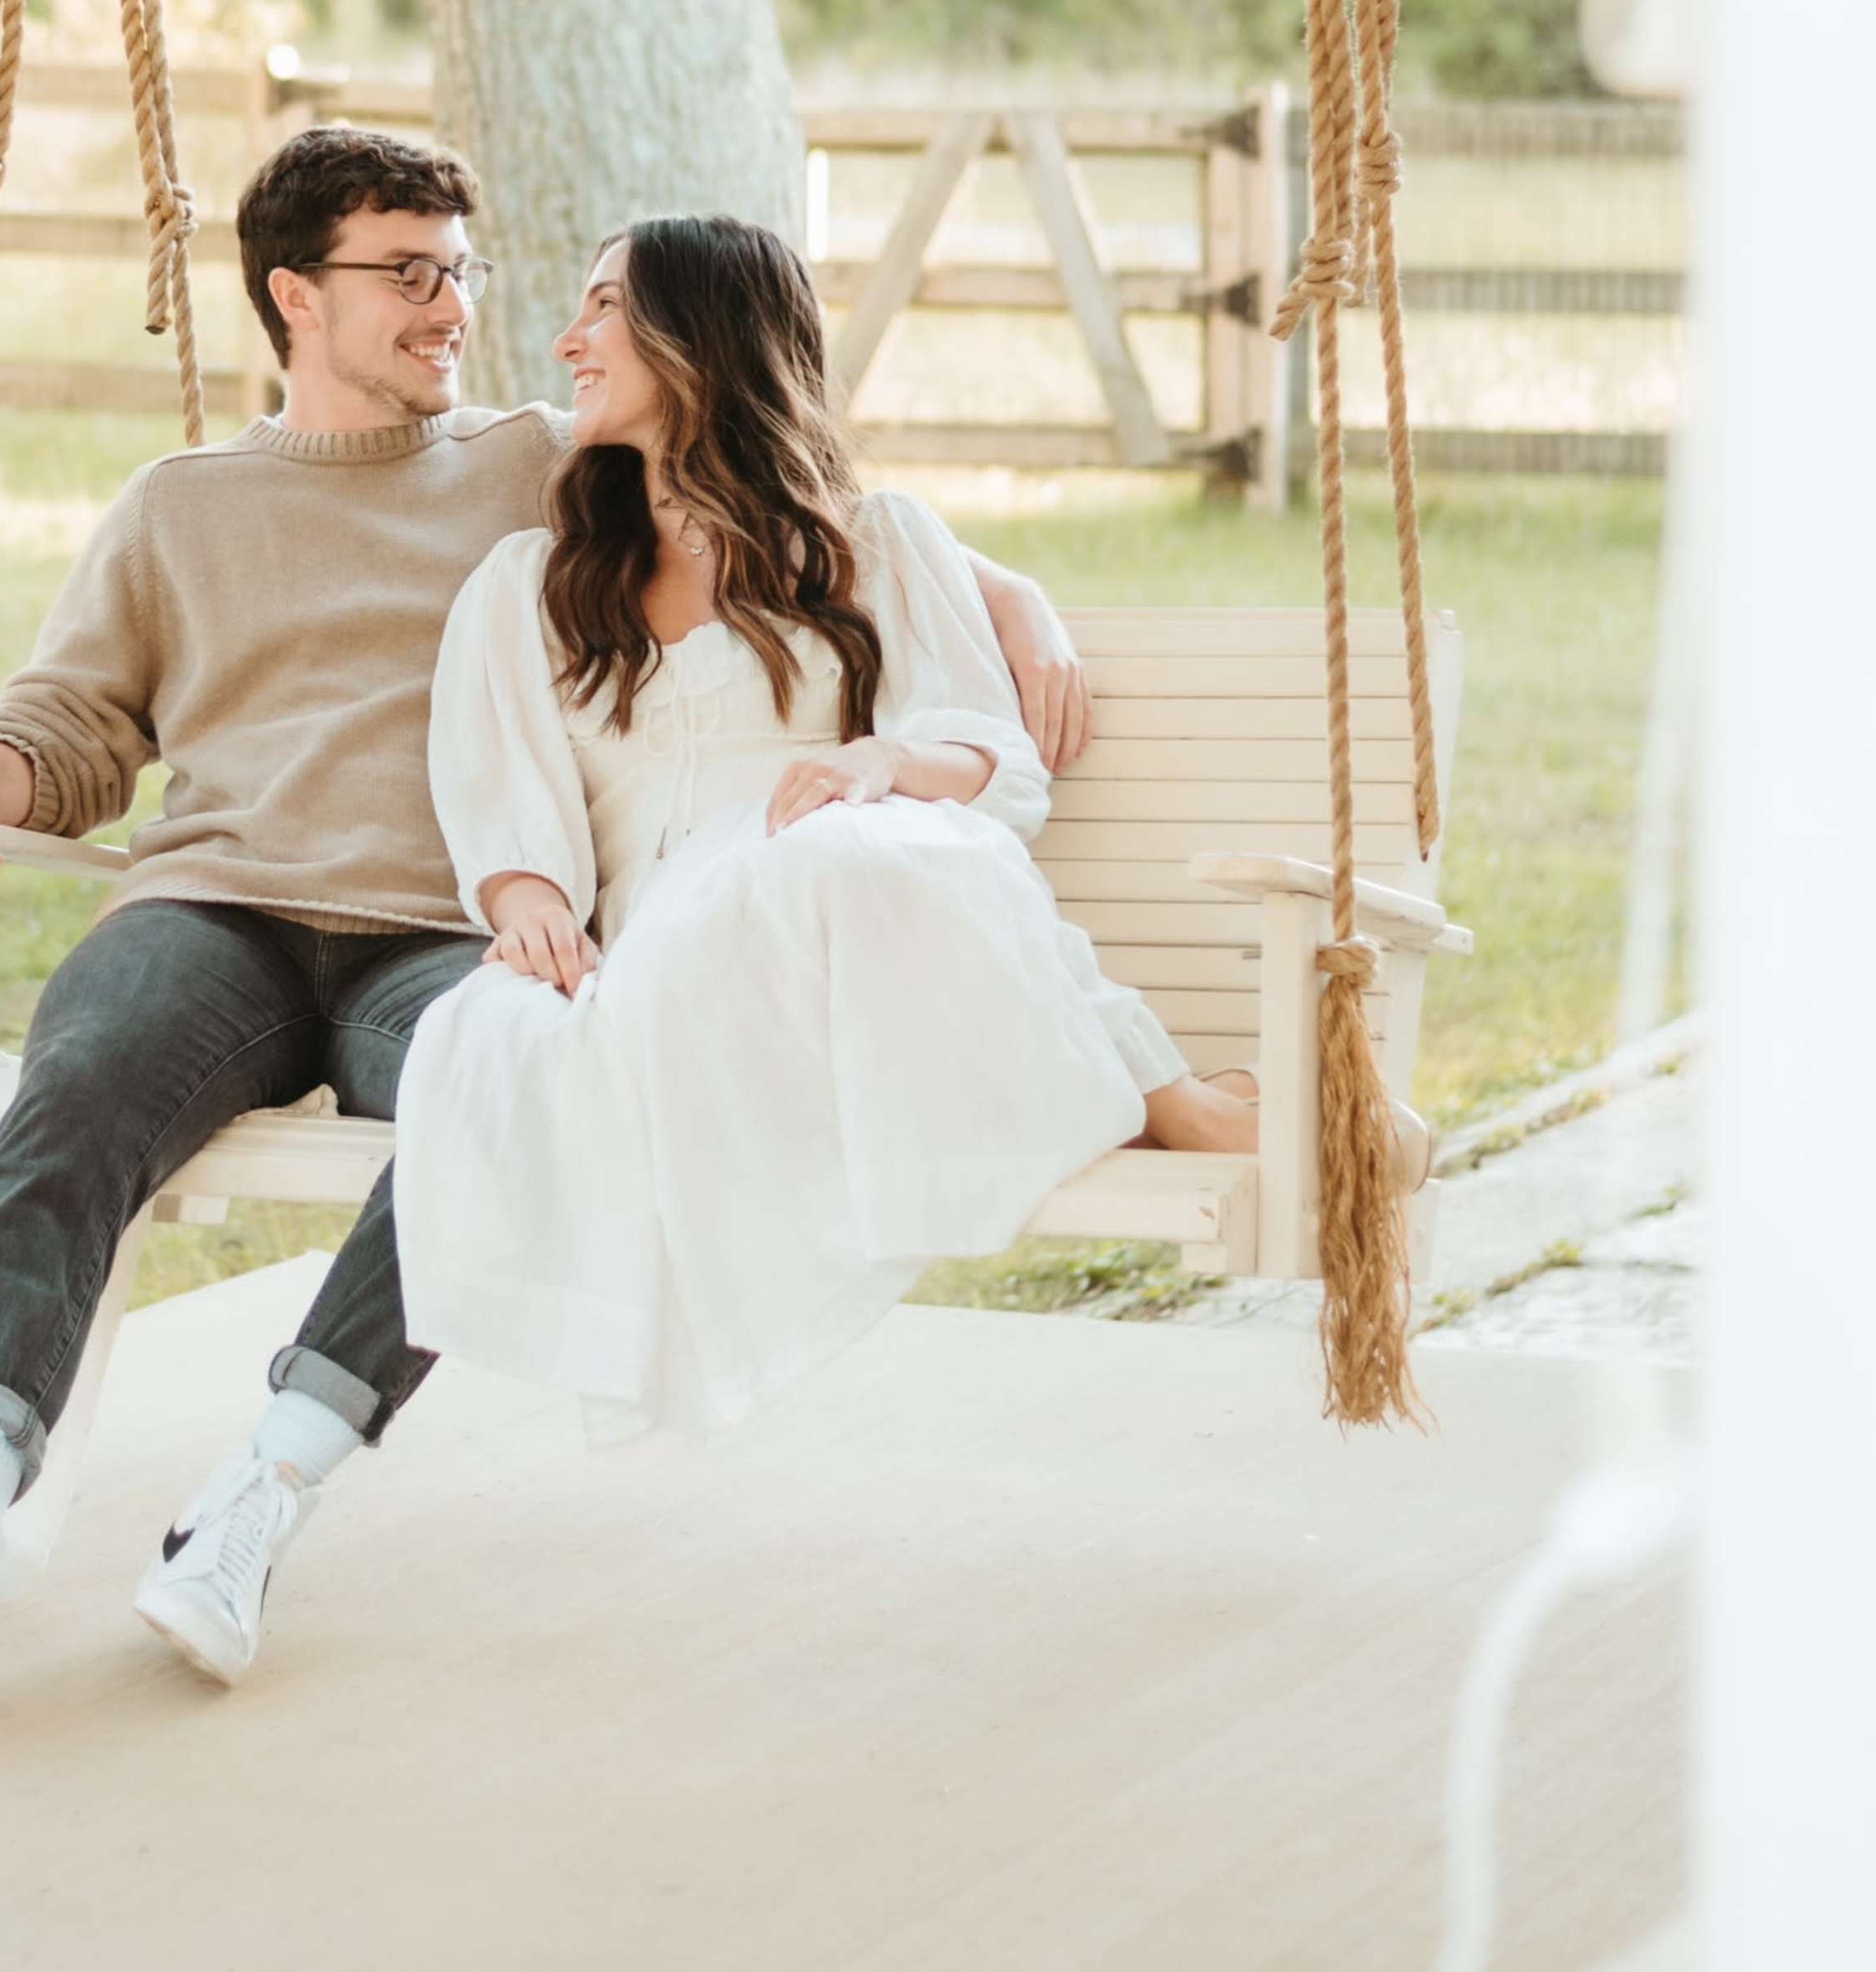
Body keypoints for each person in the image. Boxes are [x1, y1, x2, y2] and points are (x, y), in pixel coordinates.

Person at [0, 127, 1089, 1718]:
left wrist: (1016, 596)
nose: (452, 306)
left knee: (498, 1092)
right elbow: (76, 724)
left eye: (461, 266)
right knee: (83, 1076)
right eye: (410, 271)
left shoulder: (536, 460)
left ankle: (257, 1501)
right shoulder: (181, 508)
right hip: (223, 903)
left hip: (451, 932)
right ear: (294, 294)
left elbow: (784, 500)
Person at [390, 215, 1260, 1441]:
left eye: (603, 308)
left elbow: (1000, 770)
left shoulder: (872, 544)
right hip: (668, 967)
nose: (566, 338)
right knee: (747, 891)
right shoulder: (533, 589)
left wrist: (881, 759)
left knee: (866, 846)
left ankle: (1157, 1085)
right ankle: (1154, 1084)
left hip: (829, 945)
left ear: (698, 341)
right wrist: (527, 900)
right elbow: (506, 807)